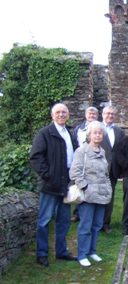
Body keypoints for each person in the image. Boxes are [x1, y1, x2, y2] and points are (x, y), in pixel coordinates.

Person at [30, 103, 78, 267]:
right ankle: (41, 254)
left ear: (68, 114)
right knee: (44, 221)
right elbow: (35, 157)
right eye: (58, 112)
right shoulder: (44, 133)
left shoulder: (70, 133)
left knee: (64, 221)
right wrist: (48, 175)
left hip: (65, 184)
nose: (61, 115)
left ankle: (61, 251)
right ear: (52, 115)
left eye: (64, 112)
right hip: (50, 185)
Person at [69, 121, 112, 267]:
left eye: (100, 133)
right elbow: (74, 172)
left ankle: (92, 251)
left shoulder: (103, 152)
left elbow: (105, 173)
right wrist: (85, 187)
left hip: (101, 195)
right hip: (88, 196)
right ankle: (82, 254)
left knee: (97, 225)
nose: (98, 135)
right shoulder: (82, 151)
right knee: (85, 226)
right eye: (95, 133)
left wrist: (108, 188)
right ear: (89, 135)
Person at [71, 106, 99, 222]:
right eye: (90, 114)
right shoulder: (79, 129)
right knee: (81, 186)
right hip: (82, 160)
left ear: (97, 116)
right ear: (86, 115)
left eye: (94, 114)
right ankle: (78, 213)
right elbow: (74, 144)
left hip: (95, 160)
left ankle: (92, 213)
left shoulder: (99, 128)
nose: (92, 116)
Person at [101, 105, 125, 233]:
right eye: (108, 113)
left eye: (112, 114)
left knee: (109, 197)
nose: (110, 116)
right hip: (98, 169)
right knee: (95, 195)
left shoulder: (119, 132)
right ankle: (94, 222)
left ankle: (105, 223)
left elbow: (121, 151)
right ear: (103, 114)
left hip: (113, 170)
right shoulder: (95, 128)